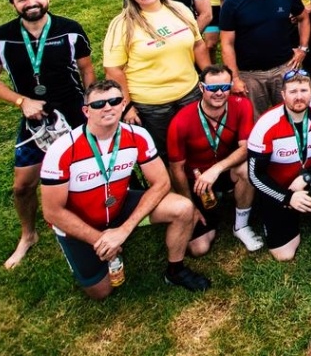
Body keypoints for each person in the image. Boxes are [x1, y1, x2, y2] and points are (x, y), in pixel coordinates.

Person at [40, 79, 211, 298]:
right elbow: (52, 212)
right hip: (80, 220)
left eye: (114, 101)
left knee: (183, 207)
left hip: (119, 205)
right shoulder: (62, 150)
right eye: (98, 104)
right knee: (101, 292)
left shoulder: (137, 135)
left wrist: (124, 230)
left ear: (123, 105)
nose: (107, 107)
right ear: (86, 111)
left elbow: (161, 183)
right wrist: (98, 239)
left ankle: (176, 270)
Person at [0, 0, 95, 269]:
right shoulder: (1, 37)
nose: (30, 4)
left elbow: (87, 71)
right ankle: (28, 235)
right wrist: (22, 102)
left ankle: (93, 220)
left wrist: (89, 103)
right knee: (22, 185)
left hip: (73, 113)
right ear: (12, 4)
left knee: (86, 171)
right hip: (35, 119)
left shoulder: (70, 29)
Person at [104, 0, 209, 157]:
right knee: (168, 154)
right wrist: (126, 106)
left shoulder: (180, 9)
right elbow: (113, 69)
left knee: (197, 143)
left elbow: (198, 45)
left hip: (189, 93)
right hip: (152, 105)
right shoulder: (122, 24)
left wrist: (209, 77)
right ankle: (176, 186)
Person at [247, 69, 311, 256]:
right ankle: (272, 213)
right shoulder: (266, 125)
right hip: (280, 188)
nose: (299, 97)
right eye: (293, 92)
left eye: (303, 91)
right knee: (285, 254)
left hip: (309, 177)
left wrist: (308, 177)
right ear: (283, 94)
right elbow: (255, 175)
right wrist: (287, 197)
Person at [167, 65, 263, 254]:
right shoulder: (181, 121)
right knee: (198, 248)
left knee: (246, 168)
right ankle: (200, 210)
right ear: (202, 88)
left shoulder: (242, 104)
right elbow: (176, 169)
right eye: (212, 88)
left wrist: (216, 169)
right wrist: (190, 207)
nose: (219, 93)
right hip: (196, 181)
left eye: (225, 87)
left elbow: (246, 148)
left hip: (222, 170)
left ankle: (241, 226)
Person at [219, 0, 310, 118]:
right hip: (250, 74)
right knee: (255, 121)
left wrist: (303, 48)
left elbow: (303, 17)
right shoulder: (232, 3)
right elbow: (226, 43)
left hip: (284, 68)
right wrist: (235, 78)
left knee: (291, 115)